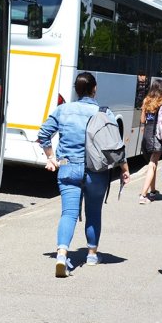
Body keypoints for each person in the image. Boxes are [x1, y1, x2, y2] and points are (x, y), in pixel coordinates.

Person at [39, 72, 131, 277]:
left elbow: (43, 135)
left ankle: (62, 255)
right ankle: (91, 254)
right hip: (95, 171)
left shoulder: (63, 110)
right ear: (94, 88)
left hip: (68, 168)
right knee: (94, 212)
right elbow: (115, 146)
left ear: (76, 90)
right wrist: (124, 170)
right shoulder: (103, 113)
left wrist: (51, 158)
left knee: (68, 213)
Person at [138, 78, 162, 204]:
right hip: (158, 135)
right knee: (152, 163)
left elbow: (142, 120)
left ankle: (152, 190)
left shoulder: (146, 100)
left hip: (147, 133)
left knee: (153, 162)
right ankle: (143, 194)